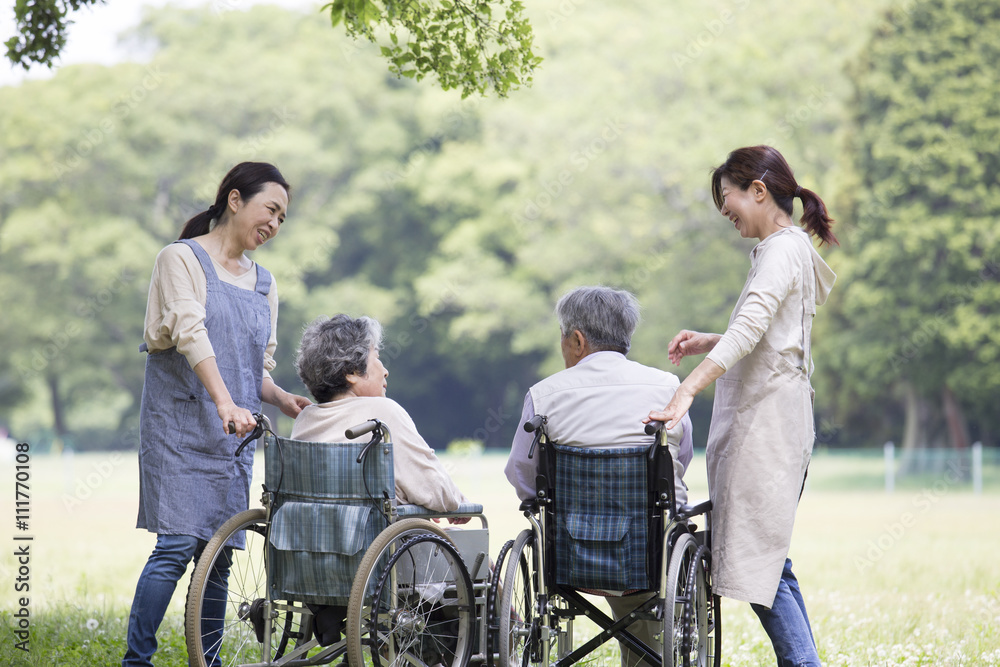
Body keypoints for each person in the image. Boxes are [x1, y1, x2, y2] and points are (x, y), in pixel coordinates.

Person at [646, 145, 837, 667]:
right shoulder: (785, 248)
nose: (724, 210)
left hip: (768, 427)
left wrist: (687, 390)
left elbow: (753, 329)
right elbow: (771, 336)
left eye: (727, 197)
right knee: (769, 560)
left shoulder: (781, 251)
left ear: (758, 190)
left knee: (756, 558)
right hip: (771, 421)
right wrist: (710, 340)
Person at [124, 162, 312, 667]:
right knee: (177, 546)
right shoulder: (180, 258)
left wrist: (281, 398)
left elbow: (254, 367)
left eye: (282, 218)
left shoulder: (264, 284)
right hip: (180, 428)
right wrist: (225, 402)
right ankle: (136, 661)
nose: (274, 224)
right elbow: (190, 333)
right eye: (270, 209)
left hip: (233, 437)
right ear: (234, 199)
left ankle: (207, 662)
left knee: (220, 556)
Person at [505, 285, 694, 667]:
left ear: (577, 340)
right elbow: (679, 461)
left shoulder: (544, 395)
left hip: (569, 557)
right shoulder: (667, 388)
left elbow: (521, 473)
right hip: (647, 554)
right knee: (652, 562)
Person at [292, 313, 470, 515]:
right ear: (351, 372)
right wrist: (454, 497)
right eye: (376, 358)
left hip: (312, 532)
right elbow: (439, 493)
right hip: (379, 533)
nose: (385, 371)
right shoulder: (382, 412)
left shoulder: (304, 421)